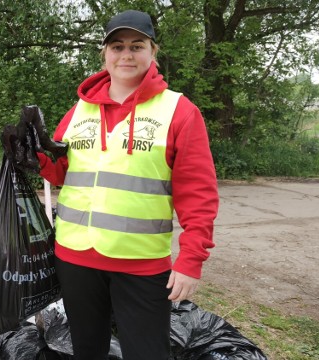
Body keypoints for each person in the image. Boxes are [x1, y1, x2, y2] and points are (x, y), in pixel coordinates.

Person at [36, 10, 219, 360]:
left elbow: (198, 193)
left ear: (153, 51)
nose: (126, 54)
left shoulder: (178, 111)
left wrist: (190, 259)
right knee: (87, 350)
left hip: (141, 264)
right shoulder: (79, 111)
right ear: (104, 53)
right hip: (75, 259)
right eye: (117, 46)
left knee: (147, 353)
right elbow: (64, 173)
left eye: (137, 45)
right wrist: (35, 159)